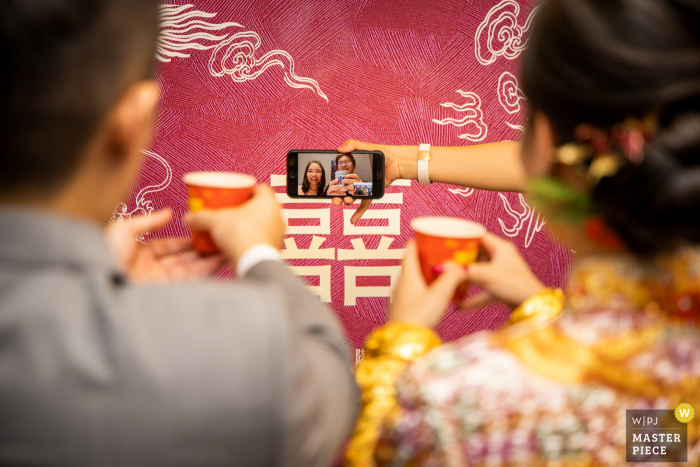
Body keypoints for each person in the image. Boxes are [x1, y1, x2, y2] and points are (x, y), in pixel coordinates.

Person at [343, 0, 700, 465]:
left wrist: (400, 343)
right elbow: (648, 441)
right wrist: (538, 306)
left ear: (545, 141)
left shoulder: (454, 399)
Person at [0, 1, 357, 466]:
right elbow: (329, 383)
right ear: (133, 120)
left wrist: (91, 271)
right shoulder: (241, 343)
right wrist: (257, 255)